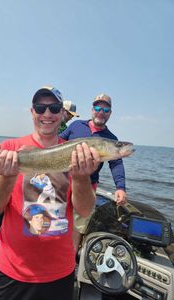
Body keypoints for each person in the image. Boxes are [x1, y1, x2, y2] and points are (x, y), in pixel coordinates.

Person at [0, 86, 101, 300]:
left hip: (59, 274)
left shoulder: (77, 153)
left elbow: (84, 210)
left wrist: (82, 177)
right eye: (40, 107)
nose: (47, 114)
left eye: (54, 108)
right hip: (11, 272)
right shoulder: (11, 148)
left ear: (62, 114)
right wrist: (7, 175)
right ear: (32, 111)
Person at [59, 93, 127, 251]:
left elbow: (116, 164)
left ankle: (71, 258)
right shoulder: (76, 125)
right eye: (97, 108)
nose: (101, 112)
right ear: (92, 110)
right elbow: (58, 142)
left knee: (78, 224)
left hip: (88, 185)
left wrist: (120, 187)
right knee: (55, 217)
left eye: (105, 109)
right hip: (63, 180)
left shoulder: (111, 139)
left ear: (110, 113)